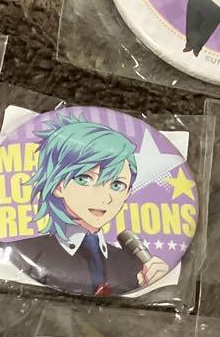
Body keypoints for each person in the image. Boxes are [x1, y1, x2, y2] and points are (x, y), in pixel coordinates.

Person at [12, 116, 169, 297]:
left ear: (128, 193)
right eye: (84, 179)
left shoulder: (136, 268)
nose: (104, 197)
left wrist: (157, 287)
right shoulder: (20, 252)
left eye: (116, 185)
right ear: (58, 185)